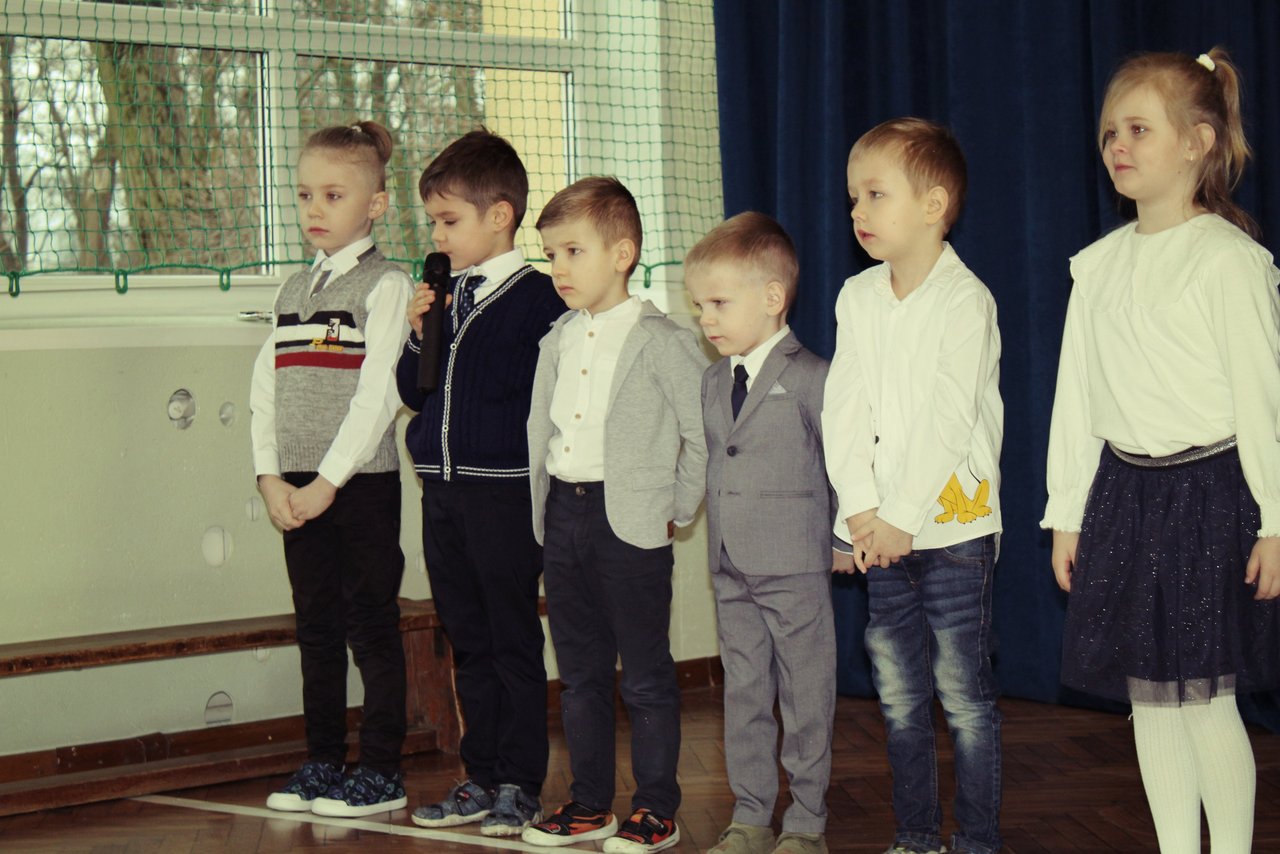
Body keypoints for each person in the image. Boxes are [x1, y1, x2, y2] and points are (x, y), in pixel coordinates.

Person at [1043, 48, 1280, 854]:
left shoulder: (1229, 261)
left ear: (1198, 142)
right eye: (1111, 130)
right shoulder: (1098, 267)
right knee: (1150, 699)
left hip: (1211, 497)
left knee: (1207, 700)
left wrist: (1275, 519)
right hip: (1125, 497)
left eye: (1140, 129)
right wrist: (1068, 512)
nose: (1119, 144)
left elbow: (1263, 402)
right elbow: (1078, 402)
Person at [825, 118, 1004, 854]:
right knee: (900, 699)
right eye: (853, 199)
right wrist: (856, 516)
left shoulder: (966, 300)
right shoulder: (857, 296)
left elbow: (948, 420)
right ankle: (917, 836)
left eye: (875, 195)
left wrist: (900, 516)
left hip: (954, 532)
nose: (858, 212)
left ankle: (978, 840)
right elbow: (844, 409)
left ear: (933, 205)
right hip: (880, 534)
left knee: (964, 699)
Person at [521, 176, 708, 854]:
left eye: (573, 251)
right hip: (564, 516)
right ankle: (589, 804)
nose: (559, 268)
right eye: (551, 255)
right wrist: (546, 511)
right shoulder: (556, 339)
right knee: (580, 675)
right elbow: (543, 433)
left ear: (622, 254)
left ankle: (656, 808)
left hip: (629, 521)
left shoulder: (663, 340)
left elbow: (700, 436)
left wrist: (673, 508)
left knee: (648, 676)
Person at [396, 129, 565, 837]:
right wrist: (417, 333)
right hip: (443, 494)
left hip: (503, 494)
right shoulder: (445, 296)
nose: (436, 236)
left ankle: (521, 784)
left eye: (448, 220)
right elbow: (414, 391)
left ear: (499, 216)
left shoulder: (541, 300)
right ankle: (482, 774)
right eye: (433, 221)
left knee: (510, 639)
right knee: (466, 638)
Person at [250, 120, 412, 818]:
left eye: (334, 195)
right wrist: (270, 477)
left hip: (359, 487)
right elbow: (266, 390)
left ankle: (380, 770)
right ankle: (322, 761)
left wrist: (327, 482)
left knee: (369, 626)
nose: (315, 208)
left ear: (375, 205)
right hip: (296, 488)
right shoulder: (292, 289)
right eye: (304, 194)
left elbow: (379, 398)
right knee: (314, 625)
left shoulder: (387, 284)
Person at [685, 212, 835, 854]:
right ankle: (751, 814)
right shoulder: (713, 379)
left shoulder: (811, 376)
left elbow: (842, 462)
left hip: (794, 560)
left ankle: (806, 821)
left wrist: (844, 539)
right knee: (744, 691)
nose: (706, 319)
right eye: (698, 306)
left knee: (805, 694)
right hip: (729, 561)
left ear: (773, 297)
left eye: (719, 303)